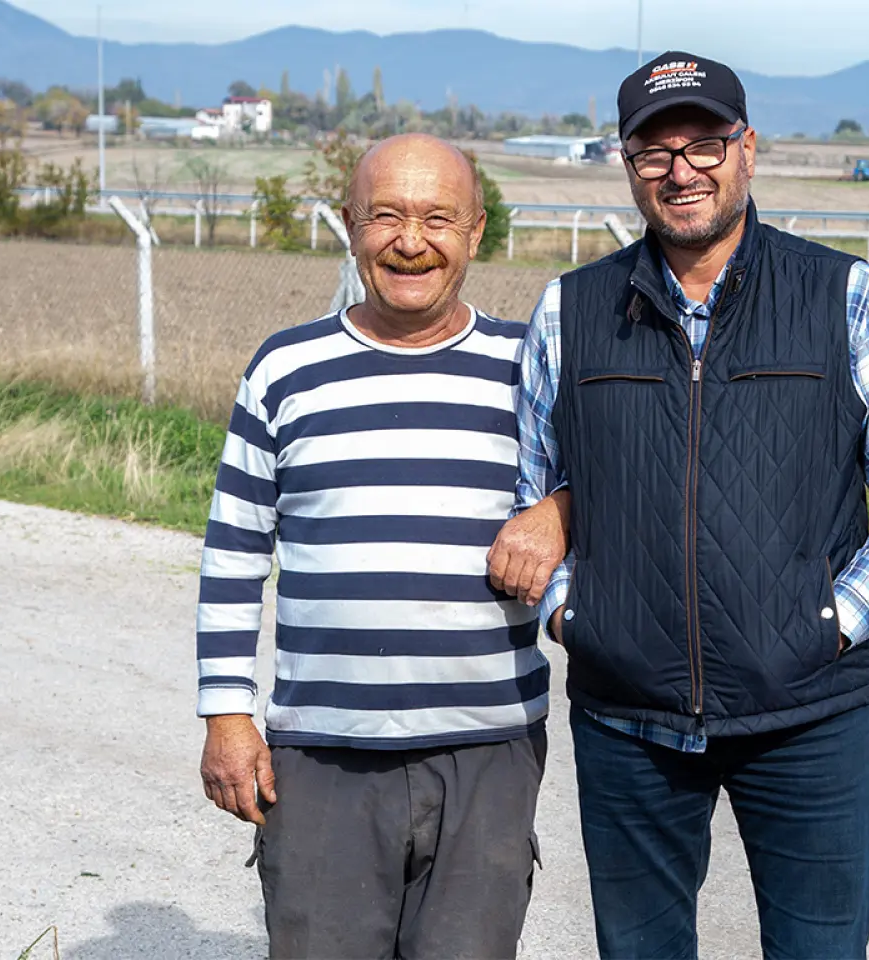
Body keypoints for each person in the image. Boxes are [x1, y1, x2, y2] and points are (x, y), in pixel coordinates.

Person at [502, 52, 869, 959]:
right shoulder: (571, 311)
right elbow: (536, 487)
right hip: (627, 720)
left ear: (748, 149)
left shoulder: (847, 297)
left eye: (705, 142)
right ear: (627, 165)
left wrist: (839, 617)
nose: (682, 170)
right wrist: (574, 615)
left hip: (806, 716)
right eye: (653, 152)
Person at [195, 133, 567, 960]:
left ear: (476, 230)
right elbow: (232, 554)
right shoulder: (285, 369)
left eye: (438, 217)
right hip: (323, 756)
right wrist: (226, 715)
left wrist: (561, 511)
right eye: (385, 216)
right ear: (349, 224)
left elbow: (614, 485)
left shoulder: (528, 367)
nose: (411, 241)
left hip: (489, 751)